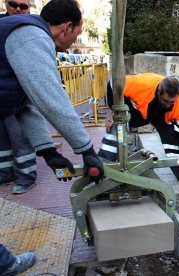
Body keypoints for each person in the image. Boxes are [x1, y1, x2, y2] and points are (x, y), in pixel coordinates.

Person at [0, 0, 104, 273]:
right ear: (67, 27)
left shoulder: (25, 34)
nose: (74, 41)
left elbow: (25, 105)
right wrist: (85, 148)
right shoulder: (31, 36)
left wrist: (49, 152)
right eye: (78, 35)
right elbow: (51, 98)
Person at [99, 73, 179, 184]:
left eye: (172, 102)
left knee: (172, 139)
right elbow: (113, 84)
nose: (168, 105)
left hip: (162, 117)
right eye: (165, 101)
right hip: (143, 112)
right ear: (159, 92)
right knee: (118, 123)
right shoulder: (142, 84)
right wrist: (116, 111)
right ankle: (103, 165)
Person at [0, 0, 38, 194]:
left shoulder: (30, 28)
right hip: (2, 92)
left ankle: (27, 176)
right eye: (13, 3)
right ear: (5, 3)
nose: (18, 9)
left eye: (23, 6)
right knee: (2, 138)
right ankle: (5, 173)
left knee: (20, 135)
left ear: (29, 7)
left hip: (20, 93)